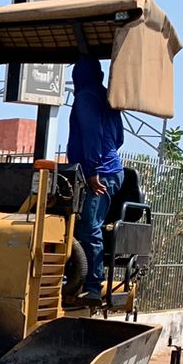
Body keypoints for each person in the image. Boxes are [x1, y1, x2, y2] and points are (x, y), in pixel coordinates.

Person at [67, 57, 126, 304]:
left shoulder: (85, 97)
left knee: (89, 228)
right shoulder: (107, 98)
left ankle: (91, 286)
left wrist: (92, 170)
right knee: (87, 226)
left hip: (99, 172)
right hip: (112, 170)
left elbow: (92, 133)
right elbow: (119, 138)